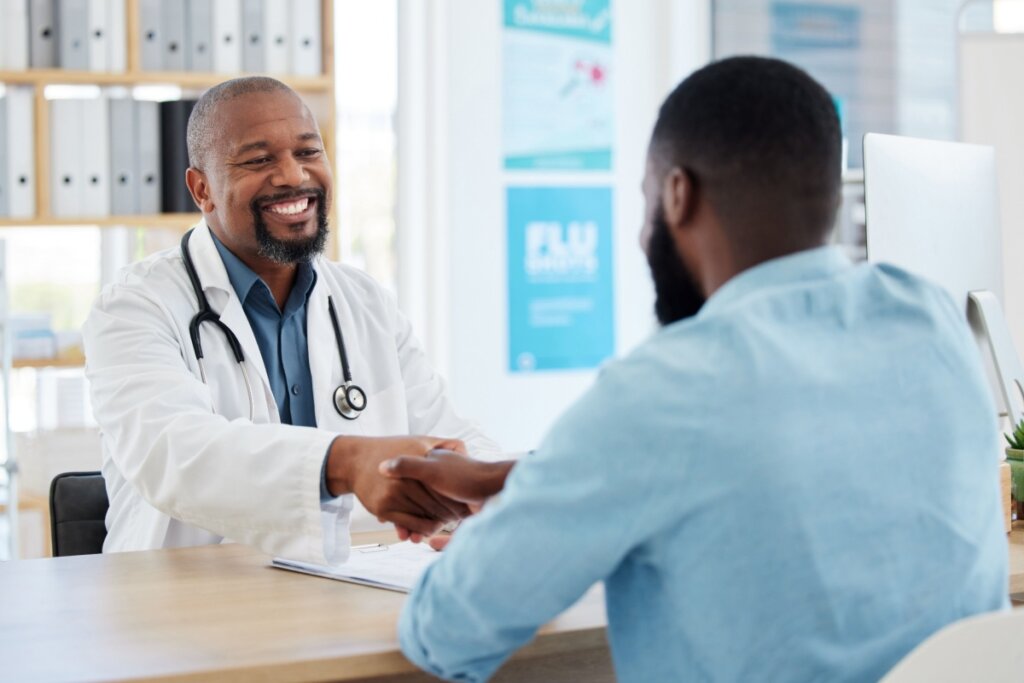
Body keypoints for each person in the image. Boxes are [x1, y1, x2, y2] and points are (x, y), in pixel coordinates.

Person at [384, 56, 1009, 682]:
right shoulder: (929, 318)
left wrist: (501, 532)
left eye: (645, 201)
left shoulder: (667, 388)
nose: (639, 236)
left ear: (678, 195)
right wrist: (532, 479)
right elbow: (796, 454)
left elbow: (449, 632)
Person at [82, 77, 497, 564]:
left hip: (347, 586)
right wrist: (344, 462)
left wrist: (498, 498)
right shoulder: (134, 306)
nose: (293, 176)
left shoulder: (365, 301)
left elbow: (448, 433)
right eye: (259, 160)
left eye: (308, 152)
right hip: (181, 603)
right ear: (202, 189)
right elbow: (176, 455)